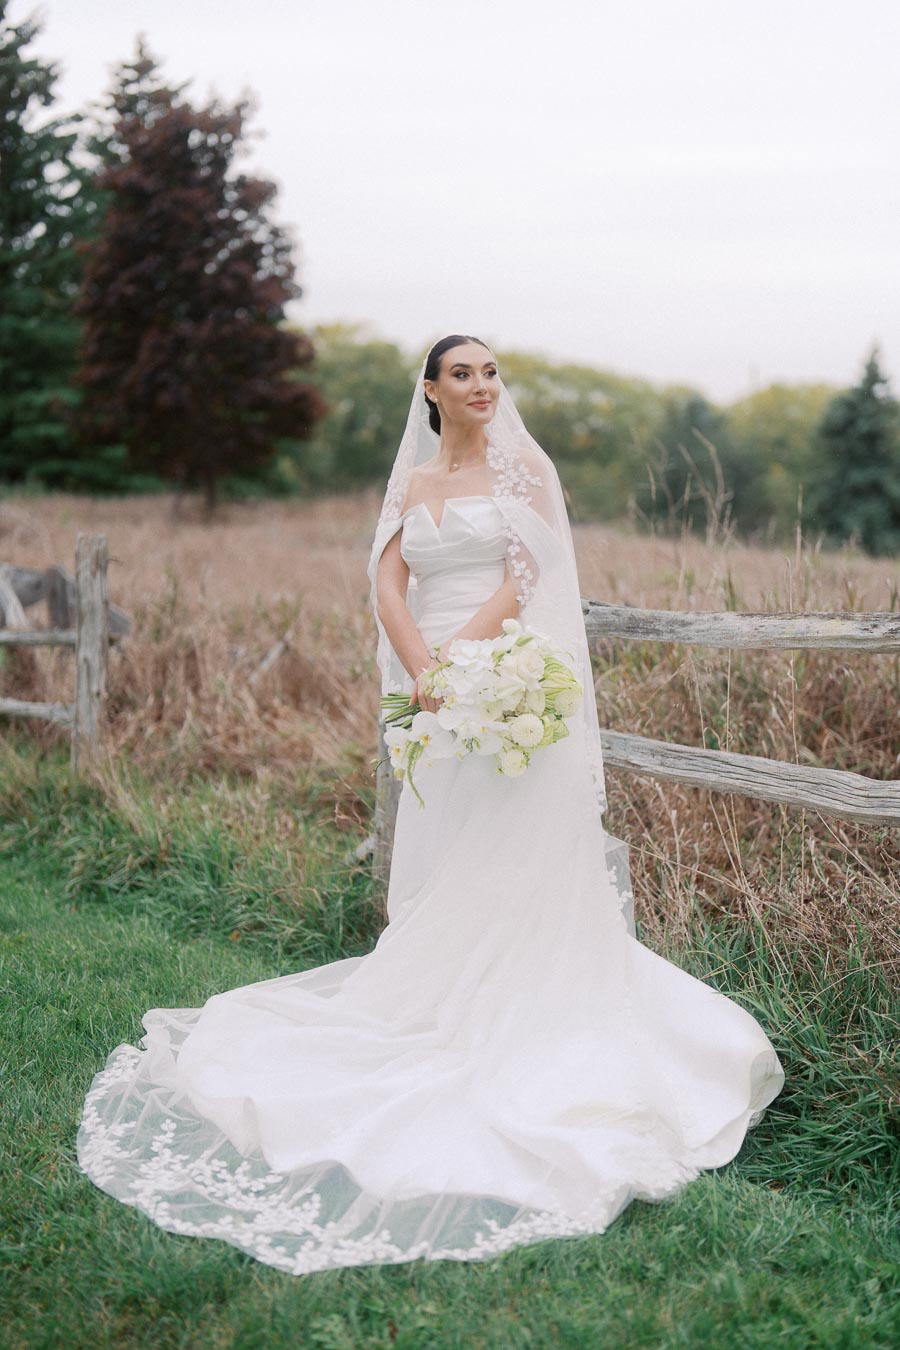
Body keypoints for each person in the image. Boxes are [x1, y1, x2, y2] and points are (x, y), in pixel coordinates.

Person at [76, 334, 784, 1277]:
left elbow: (526, 578)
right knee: (453, 852)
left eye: (491, 373)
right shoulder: (414, 482)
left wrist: (465, 664)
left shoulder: (526, 468)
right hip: (438, 693)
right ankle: (445, 1006)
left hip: (504, 676)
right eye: (464, 374)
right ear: (431, 390)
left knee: (517, 852)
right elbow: (387, 577)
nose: (483, 387)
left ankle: (525, 1012)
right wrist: (420, 668)